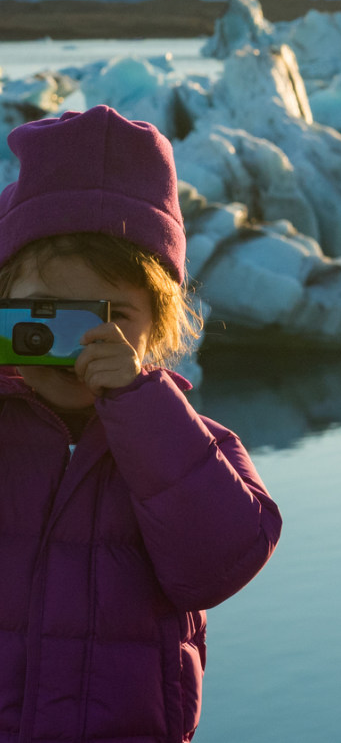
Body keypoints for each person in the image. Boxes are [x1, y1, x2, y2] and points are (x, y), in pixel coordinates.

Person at [0, 104, 282, 743]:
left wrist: (143, 410)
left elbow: (218, 565)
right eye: (47, 317)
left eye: (110, 317)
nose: (79, 345)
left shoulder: (189, 445)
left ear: (160, 329)